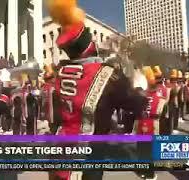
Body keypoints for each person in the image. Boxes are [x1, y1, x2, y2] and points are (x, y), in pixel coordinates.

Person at [46, 1, 147, 179]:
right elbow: (134, 104)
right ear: (89, 43)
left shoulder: (58, 74)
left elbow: (53, 118)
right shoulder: (108, 74)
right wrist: (139, 88)